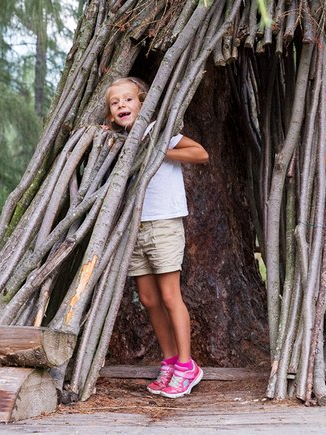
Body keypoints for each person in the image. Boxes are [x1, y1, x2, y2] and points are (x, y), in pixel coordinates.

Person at [105, 77, 208, 398]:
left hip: (164, 223)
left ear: (142, 103)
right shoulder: (118, 145)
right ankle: (169, 360)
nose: (122, 105)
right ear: (111, 115)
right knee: (149, 299)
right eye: (115, 102)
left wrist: (162, 152)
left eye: (128, 99)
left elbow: (201, 153)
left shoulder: (158, 135)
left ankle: (187, 366)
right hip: (135, 227)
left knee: (169, 296)